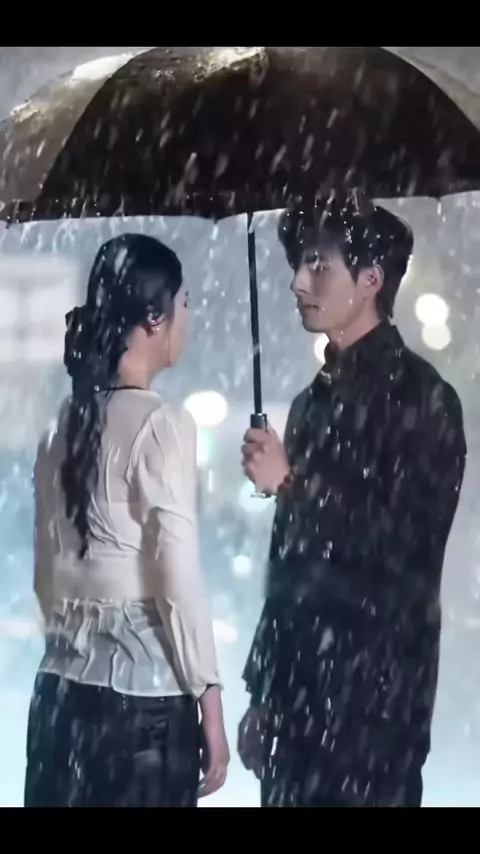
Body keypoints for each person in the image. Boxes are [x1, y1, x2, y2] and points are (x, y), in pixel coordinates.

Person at [238, 192, 466, 807]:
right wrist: (263, 692)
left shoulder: (425, 400)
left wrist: (293, 486)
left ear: (371, 281)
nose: (298, 281)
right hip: (297, 713)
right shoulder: (311, 404)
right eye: (299, 263)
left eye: (318, 264)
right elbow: (287, 562)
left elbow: (405, 549)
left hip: (374, 713)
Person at [25, 233, 229, 807]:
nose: (188, 318)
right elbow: (177, 578)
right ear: (154, 319)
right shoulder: (161, 426)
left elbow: (46, 576)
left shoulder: (58, 429)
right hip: (143, 707)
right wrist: (210, 698)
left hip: (59, 699)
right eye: (184, 303)